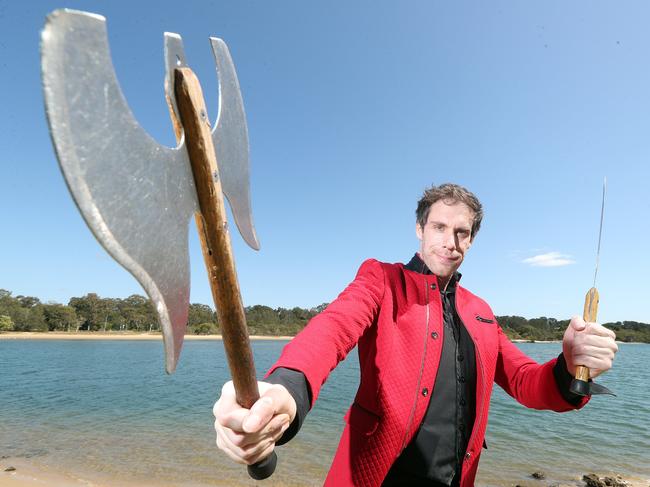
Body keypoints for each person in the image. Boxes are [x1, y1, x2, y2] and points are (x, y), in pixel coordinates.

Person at [213, 183, 618, 487]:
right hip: (375, 477)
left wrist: (569, 367)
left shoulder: (481, 312)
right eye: (440, 226)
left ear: (472, 240)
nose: (450, 240)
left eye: (462, 231)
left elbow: (527, 382)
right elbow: (333, 329)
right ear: (420, 229)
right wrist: (287, 388)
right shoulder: (381, 280)